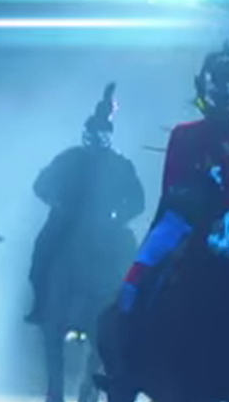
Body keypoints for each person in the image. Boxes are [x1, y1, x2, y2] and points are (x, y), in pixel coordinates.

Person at [118, 42, 229, 399]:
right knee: (134, 281)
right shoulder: (184, 134)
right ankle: (122, 363)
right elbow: (174, 185)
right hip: (181, 223)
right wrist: (206, 196)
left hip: (225, 232)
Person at [25, 82, 145, 325]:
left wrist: (118, 216)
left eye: (102, 135)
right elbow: (40, 185)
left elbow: (138, 201)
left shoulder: (120, 164)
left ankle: (131, 309)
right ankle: (40, 305)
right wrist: (56, 201)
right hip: (66, 221)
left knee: (132, 259)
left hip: (105, 224)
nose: (97, 139)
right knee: (41, 254)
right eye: (93, 134)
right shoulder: (69, 158)